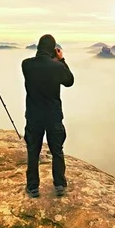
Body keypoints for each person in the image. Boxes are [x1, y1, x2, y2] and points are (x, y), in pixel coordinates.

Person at [21, 34, 74, 198]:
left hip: (34, 116)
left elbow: (39, 66)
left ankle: (33, 187)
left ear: (38, 48)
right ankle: (59, 184)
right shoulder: (57, 67)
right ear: (53, 50)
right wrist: (61, 60)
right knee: (57, 150)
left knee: (33, 151)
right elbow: (69, 81)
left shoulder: (27, 65)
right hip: (53, 116)